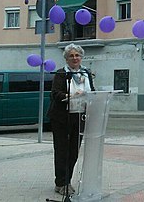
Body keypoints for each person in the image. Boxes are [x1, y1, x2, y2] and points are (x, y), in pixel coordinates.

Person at [47, 43, 95, 195]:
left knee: (73, 151)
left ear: (81, 57)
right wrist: (70, 96)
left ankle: (68, 180)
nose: (75, 58)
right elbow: (55, 93)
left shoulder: (86, 73)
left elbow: (92, 92)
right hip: (62, 118)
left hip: (79, 116)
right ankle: (61, 183)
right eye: (71, 56)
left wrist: (94, 98)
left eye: (77, 55)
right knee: (62, 151)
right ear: (66, 59)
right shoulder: (62, 74)